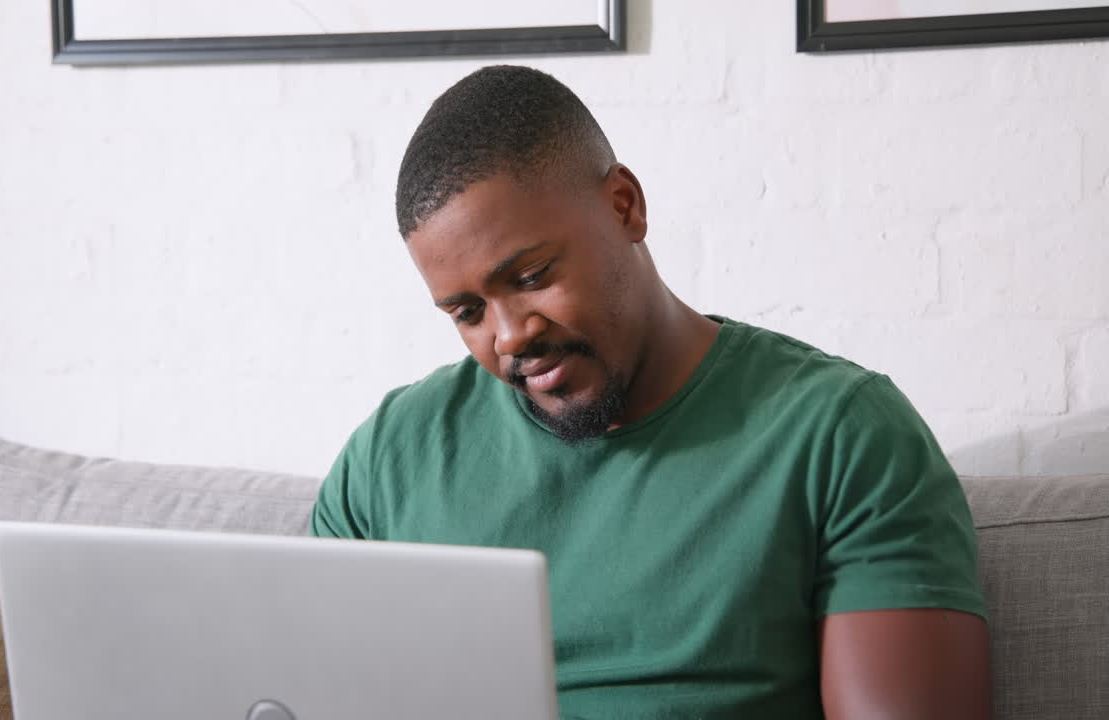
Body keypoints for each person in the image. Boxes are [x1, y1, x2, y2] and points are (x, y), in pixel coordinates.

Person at [311, 65, 991, 719]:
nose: (509, 336)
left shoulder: (841, 436)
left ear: (624, 206)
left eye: (532, 275)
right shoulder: (390, 458)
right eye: (466, 313)